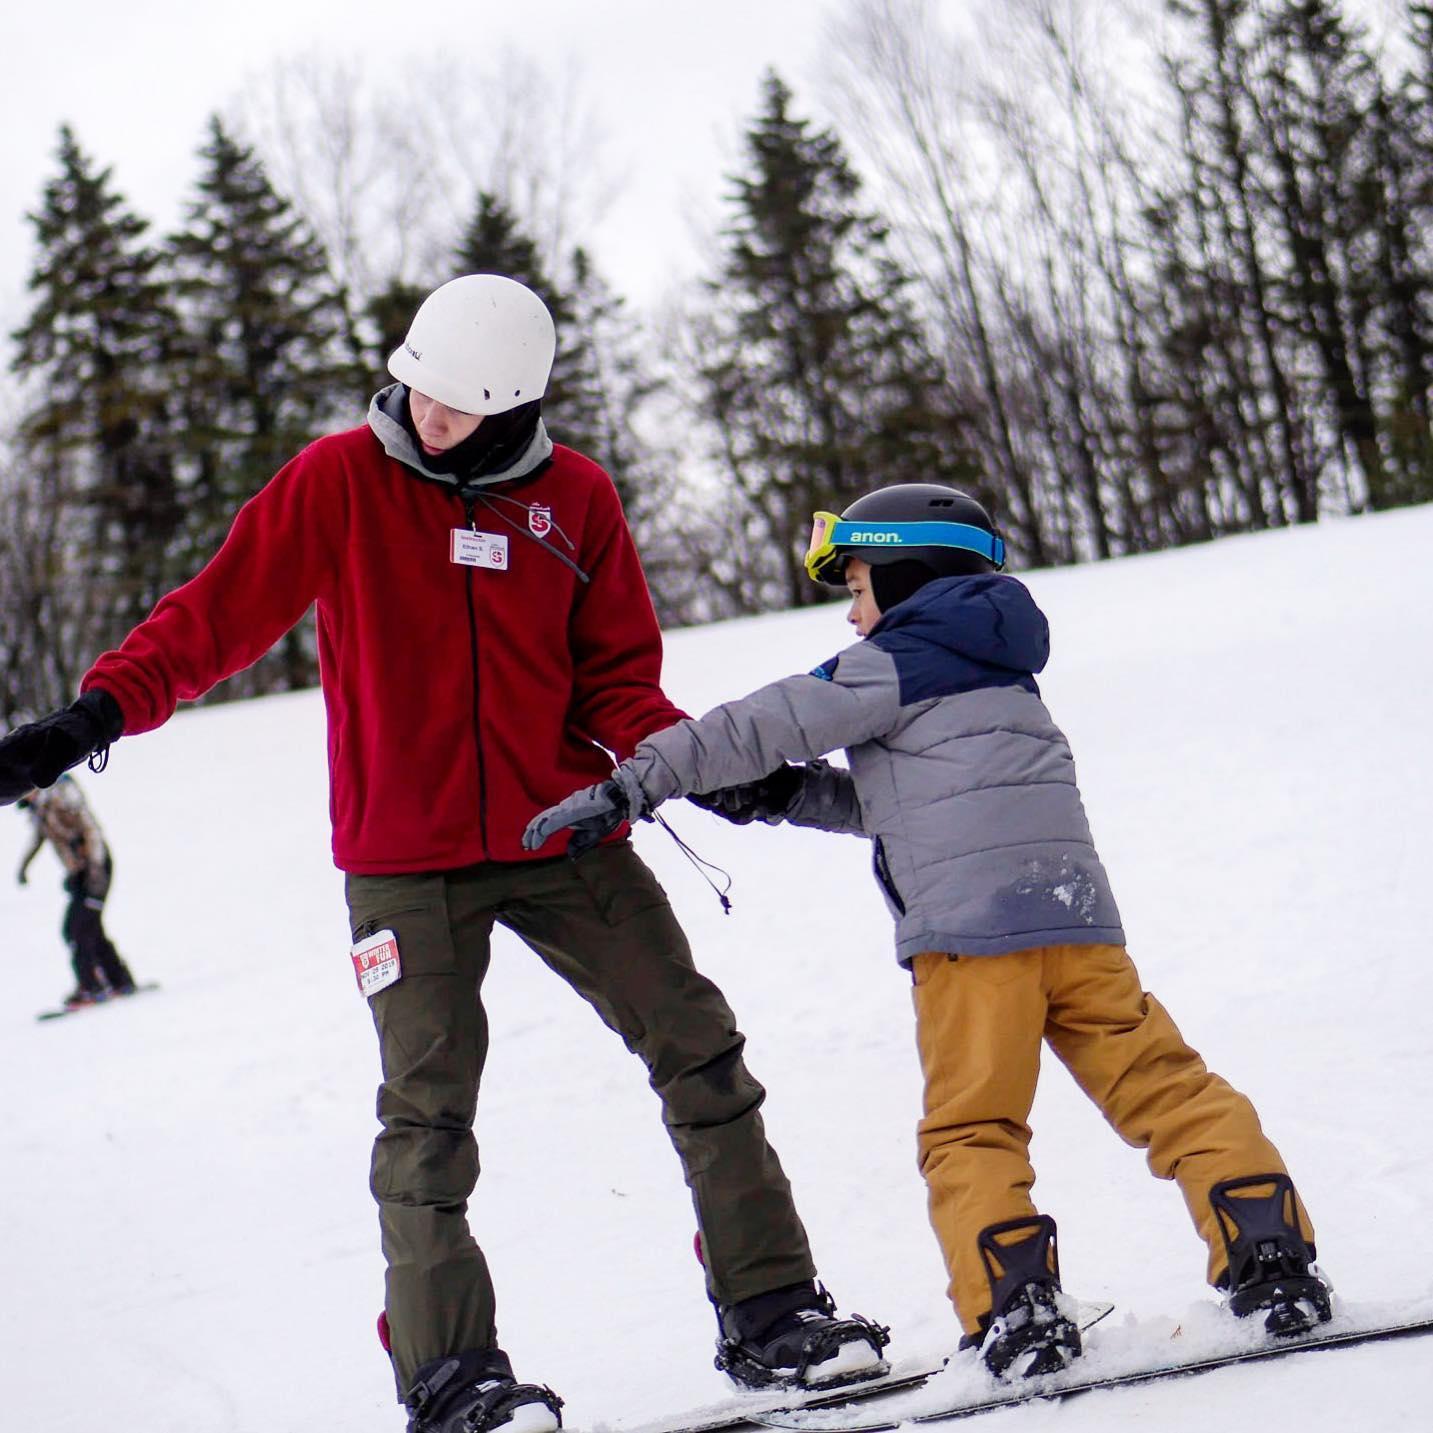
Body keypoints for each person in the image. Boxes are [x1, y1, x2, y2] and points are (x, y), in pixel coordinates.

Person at [0, 275, 889, 1433]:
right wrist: (90, 718)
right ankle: (451, 1374)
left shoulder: (575, 499)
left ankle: (773, 1312)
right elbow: (213, 616)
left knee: (698, 1046)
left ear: (515, 404)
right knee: (428, 1118)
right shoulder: (338, 482)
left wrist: (696, 767)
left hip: (567, 828)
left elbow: (617, 679)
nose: (428, 419)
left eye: (459, 410)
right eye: (418, 391)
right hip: (403, 861)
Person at [524, 481, 1334, 1382]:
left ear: (910, 574)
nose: (853, 612)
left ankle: (1013, 1310)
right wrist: (787, 796)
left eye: (860, 585)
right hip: (1076, 923)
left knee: (973, 1126)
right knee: (1167, 1089)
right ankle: (1271, 1258)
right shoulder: (1004, 666)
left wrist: (638, 781)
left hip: (970, 942)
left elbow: (759, 722)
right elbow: (915, 800)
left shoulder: (888, 663)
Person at [16, 772, 139, 1008]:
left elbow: (91, 831)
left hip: (96, 868)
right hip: (80, 873)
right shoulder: (41, 808)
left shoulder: (60, 797)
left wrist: (94, 870)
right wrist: (24, 867)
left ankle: (91, 986)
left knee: (76, 928)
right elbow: (39, 837)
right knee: (89, 927)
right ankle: (119, 980)